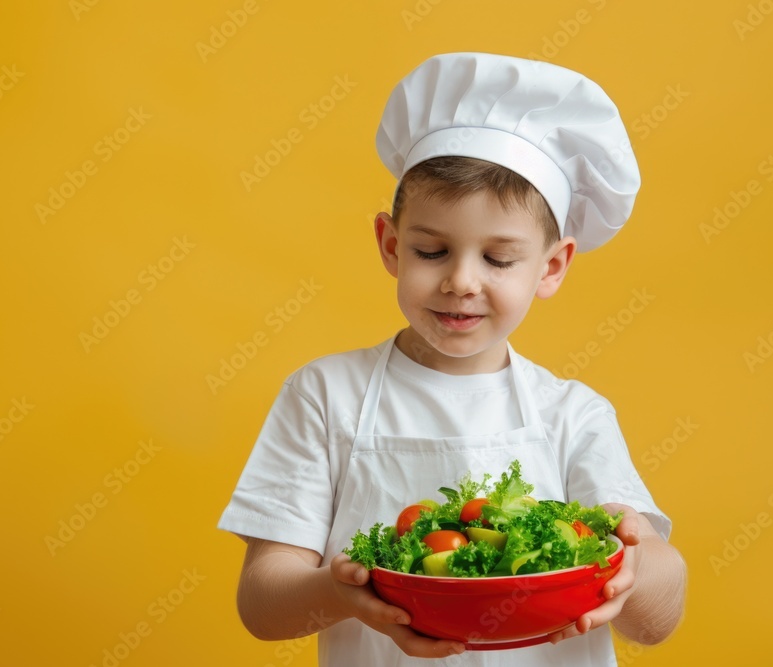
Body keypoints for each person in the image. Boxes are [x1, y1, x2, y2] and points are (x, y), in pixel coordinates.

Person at [218, 52, 687, 666]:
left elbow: (659, 616)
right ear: (390, 244)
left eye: (498, 259)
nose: (462, 281)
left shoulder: (574, 415)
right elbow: (263, 605)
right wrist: (345, 591)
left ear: (551, 267)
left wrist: (634, 570)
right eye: (432, 249)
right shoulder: (324, 394)